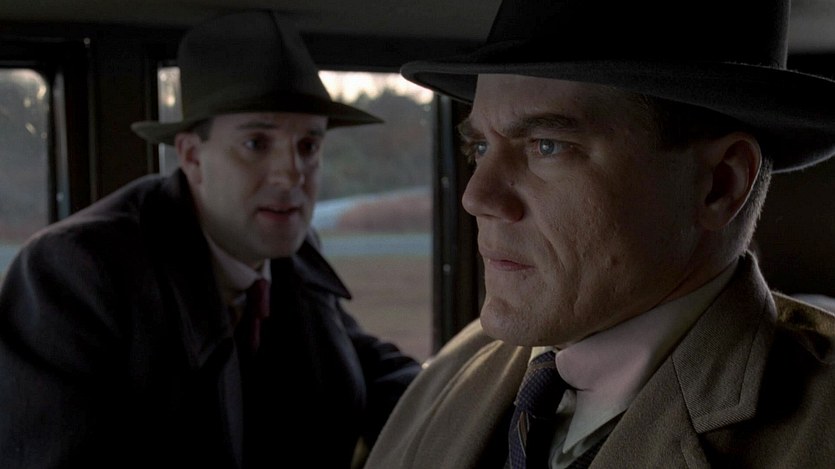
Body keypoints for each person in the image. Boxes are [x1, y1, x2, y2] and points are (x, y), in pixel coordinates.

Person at [364, 0, 835, 468]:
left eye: (546, 146)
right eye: (481, 147)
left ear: (719, 185)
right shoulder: (458, 366)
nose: (477, 197)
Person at [0, 10, 421, 469]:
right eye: (256, 143)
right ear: (192, 156)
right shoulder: (76, 273)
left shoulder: (291, 255)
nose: (291, 175)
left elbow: (362, 363)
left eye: (309, 146)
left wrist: (460, 402)